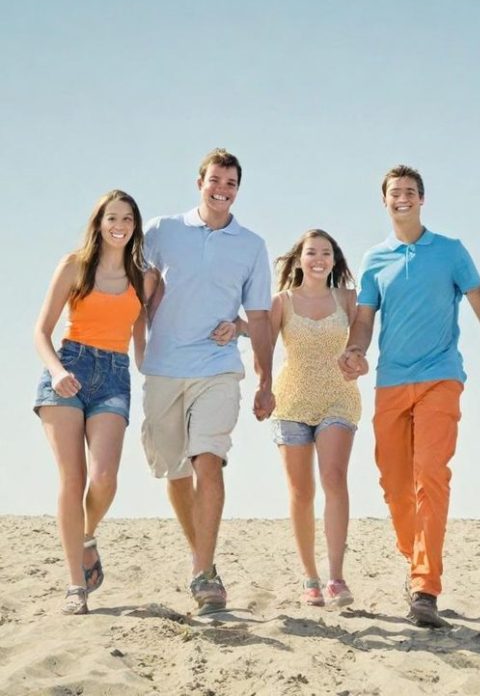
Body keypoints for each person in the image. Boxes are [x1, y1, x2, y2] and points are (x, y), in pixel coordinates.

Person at [339, 164, 480, 627]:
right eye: (394, 192)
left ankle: (425, 587)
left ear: (423, 199)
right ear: (385, 201)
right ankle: (415, 557)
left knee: (430, 474)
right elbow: (364, 319)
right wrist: (356, 350)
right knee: (395, 484)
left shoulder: (451, 251)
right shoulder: (373, 260)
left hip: (441, 375)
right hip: (391, 381)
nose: (402, 198)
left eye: (410, 191)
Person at [141, 148, 274, 614]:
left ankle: (202, 573)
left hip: (217, 367)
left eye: (231, 184)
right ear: (200, 181)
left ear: (238, 189)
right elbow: (137, 291)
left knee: (208, 460)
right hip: (162, 368)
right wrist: (136, 351)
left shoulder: (251, 245)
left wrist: (264, 379)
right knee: (175, 472)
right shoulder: (161, 231)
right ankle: (205, 560)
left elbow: (258, 316)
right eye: (216, 181)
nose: (223, 190)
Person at [34, 190, 154, 615]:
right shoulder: (74, 266)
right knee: (73, 477)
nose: (119, 225)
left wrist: (156, 377)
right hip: (69, 367)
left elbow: (141, 344)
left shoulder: (145, 277)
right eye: (111, 218)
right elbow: (40, 332)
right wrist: (57, 371)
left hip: (115, 376)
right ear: (99, 223)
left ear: (135, 225)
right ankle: (74, 586)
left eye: (127, 219)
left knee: (104, 478)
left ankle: (86, 534)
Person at [269, 229, 361, 607]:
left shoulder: (348, 298)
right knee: (301, 492)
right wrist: (236, 329)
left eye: (326, 253)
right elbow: (261, 339)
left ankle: (336, 577)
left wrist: (358, 357)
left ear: (334, 259)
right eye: (311, 253)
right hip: (290, 401)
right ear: (299, 259)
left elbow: (361, 340)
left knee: (334, 478)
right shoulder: (283, 301)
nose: (318, 259)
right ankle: (310, 577)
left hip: (339, 397)